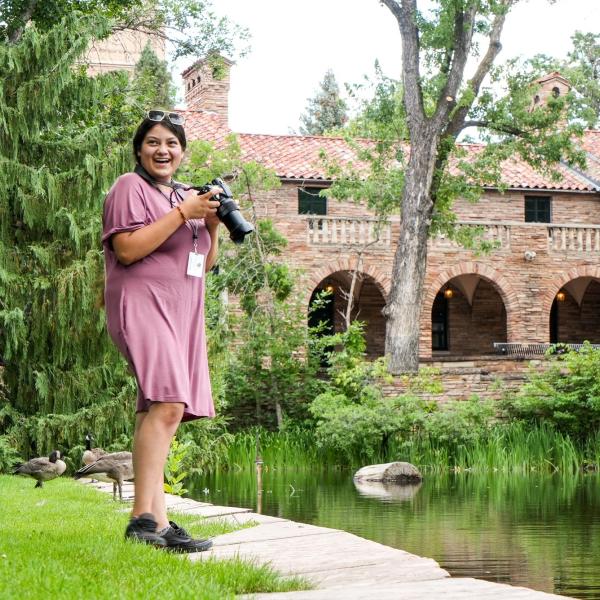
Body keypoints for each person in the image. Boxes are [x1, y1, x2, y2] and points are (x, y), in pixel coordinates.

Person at [102, 110, 221, 551]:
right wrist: (183, 212)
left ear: (183, 152)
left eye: (171, 143)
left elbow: (203, 265)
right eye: (153, 142)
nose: (162, 150)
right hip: (143, 304)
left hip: (182, 312)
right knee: (170, 402)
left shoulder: (186, 195)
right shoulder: (128, 187)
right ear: (139, 149)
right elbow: (127, 249)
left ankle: (161, 521)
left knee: (156, 407)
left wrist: (208, 221)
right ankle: (141, 522)